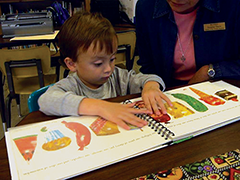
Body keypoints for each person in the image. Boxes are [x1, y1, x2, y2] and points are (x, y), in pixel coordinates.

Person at [38, 12, 172, 130]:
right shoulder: (71, 85)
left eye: (112, 59)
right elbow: (46, 100)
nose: (109, 69)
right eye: (98, 64)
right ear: (72, 64)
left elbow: (147, 78)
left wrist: (151, 86)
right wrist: (101, 107)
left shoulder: (117, 76)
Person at [135, 0, 240, 88]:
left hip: (221, 85)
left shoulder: (233, 5)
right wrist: (154, 86)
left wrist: (210, 71)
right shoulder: (145, 7)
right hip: (168, 89)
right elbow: (148, 65)